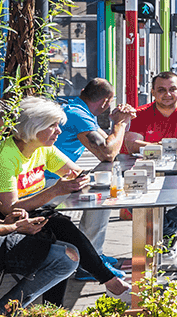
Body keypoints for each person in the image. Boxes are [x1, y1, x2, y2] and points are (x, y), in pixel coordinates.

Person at [0, 97, 134, 302]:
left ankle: (98, 289)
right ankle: (110, 285)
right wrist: (55, 190)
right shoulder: (2, 158)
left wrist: (77, 179)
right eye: (53, 126)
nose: (59, 131)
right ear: (33, 127)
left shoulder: (42, 147)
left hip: (24, 218)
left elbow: (75, 172)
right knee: (62, 241)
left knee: (62, 230)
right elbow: (9, 210)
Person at [52, 78, 136, 255]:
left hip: (58, 176)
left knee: (103, 187)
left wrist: (118, 122)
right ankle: (91, 258)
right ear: (106, 101)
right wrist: (120, 124)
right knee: (102, 197)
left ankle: (90, 254)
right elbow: (107, 153)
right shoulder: (78, 115)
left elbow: (109, 142)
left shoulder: (77, 109)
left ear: (83, 91)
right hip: (48, 182)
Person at [125, 72, 177, 241]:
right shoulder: (140, 114)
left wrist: (161, 147)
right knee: (130, 201)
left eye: (172, 89)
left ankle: (168, 230)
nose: (167, 94)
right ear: (153, 92)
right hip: (148, 172)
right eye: (161, 90)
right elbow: (132, 144)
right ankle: (171, 234)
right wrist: (169, 147)